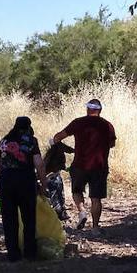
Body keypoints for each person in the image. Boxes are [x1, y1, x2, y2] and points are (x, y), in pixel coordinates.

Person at [52, 98, 116, 232]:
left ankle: (82, 211)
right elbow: (112, 144)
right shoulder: (107, 125)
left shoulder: (78, 123)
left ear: (88, 109)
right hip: (99, 166)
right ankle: (95, 227)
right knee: (96, 198)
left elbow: (58, 137)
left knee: (76, 191)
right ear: (100, 110)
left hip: (79, 165)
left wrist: (57, 144)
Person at [0, 116, 47, 261]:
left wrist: (8, 174)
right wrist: (43, 184)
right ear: (29, 127)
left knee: (9, 218)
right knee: (28, 217)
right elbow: (39, 164)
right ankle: (30, 253)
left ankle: (13, 253)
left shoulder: (4, 141)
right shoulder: (31, 141)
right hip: (25, 180)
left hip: (5, 180)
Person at [43, 141, 73, 221]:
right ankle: (59, 214)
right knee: (56, 197)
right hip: (51, 177)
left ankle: (59, 214)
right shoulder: (55, 154)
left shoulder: (52, 154)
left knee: (57, 196)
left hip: (53, 176)